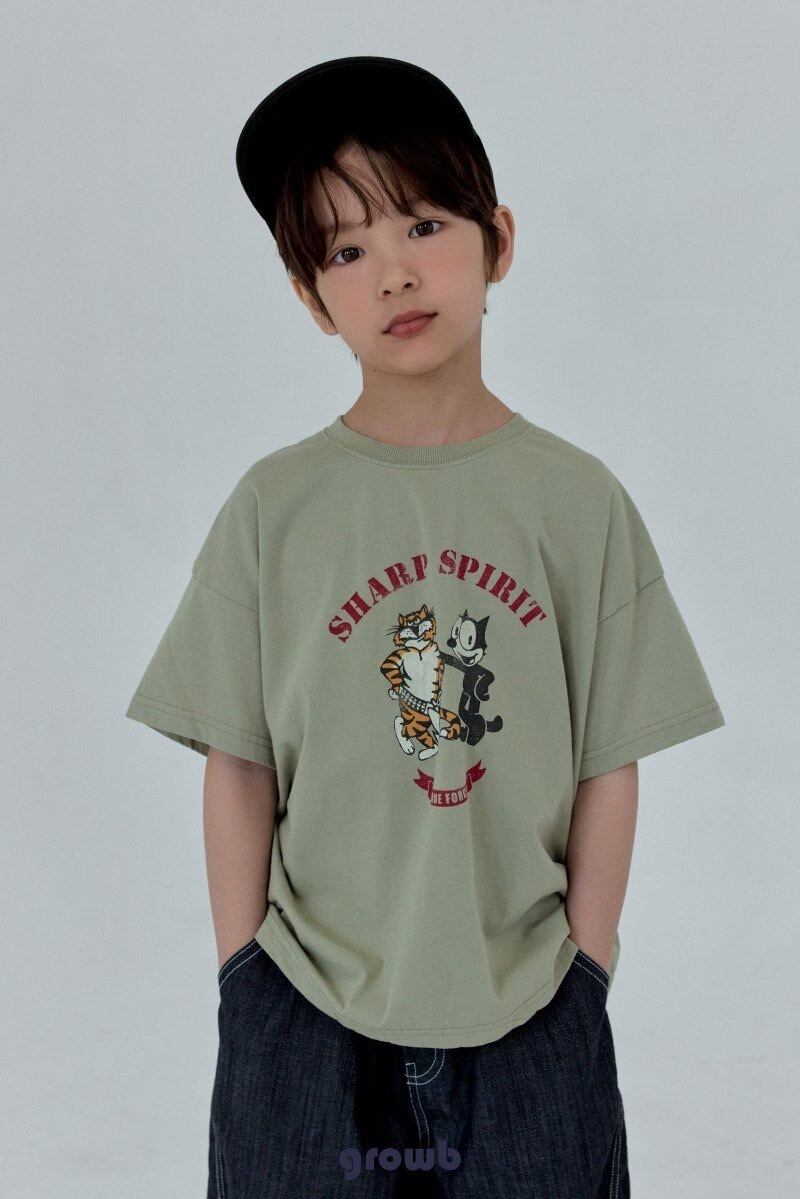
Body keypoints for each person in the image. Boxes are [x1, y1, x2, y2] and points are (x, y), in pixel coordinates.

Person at [125, 56, 725, 1198]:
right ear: (312, 299)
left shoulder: (576, 500)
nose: (395, 270)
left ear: (498, 240)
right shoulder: (275, 506)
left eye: (423, 223)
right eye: (346, 251)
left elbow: (609, 757)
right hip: (304, 1010)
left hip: (531, 1009)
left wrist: (586, 967)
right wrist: (243, 974)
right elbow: (237, 758)